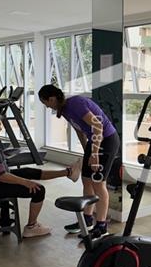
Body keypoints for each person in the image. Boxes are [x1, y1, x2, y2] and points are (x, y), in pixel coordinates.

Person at [0, 111, 82, 238]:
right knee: (38, 190)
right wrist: (26, 182)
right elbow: (1, 176)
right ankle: (31, 227)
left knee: (27, 171)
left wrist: (4, 159)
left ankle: (68, 172)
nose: (1, 128)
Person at [38, 84, 120, 240]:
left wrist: (94, 153)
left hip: (107, 140)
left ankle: (101, 226)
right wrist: (87, 151)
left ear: (52, 98)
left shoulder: (75, 104)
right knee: (86, 180)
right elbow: (79, 130)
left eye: (46, 102)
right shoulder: (64, 109)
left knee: (98, 183)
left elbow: (98, 126)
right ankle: (87, 220)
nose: (47, 107)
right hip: (94, 141)